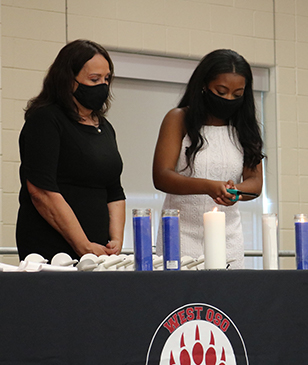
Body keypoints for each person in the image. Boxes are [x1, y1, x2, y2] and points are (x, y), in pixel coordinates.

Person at [16, 39, 126, 262]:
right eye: (94, 79)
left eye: (107, 79)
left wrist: (115, 240)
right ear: (68, 81)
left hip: (97, 251)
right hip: (52, 248)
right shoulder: (46, 119)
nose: (103, 86)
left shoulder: (104, 127)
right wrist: (82, 244)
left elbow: (114, 190)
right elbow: (41, 191)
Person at [153, 49, 264, 269]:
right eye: (221, 91)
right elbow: (162, 176)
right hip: (181, 235)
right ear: (204, 85)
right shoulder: (179, 118)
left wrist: (235, 192)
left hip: (227, 236)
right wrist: (210, 187)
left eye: (237, 94)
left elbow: (255, 182)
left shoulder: (245, 128)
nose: (228, 99)